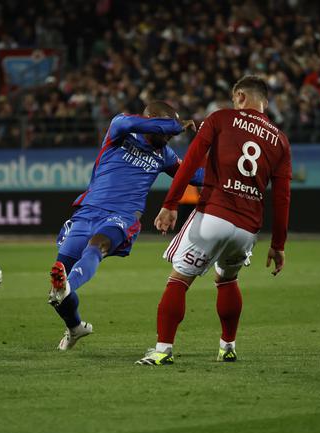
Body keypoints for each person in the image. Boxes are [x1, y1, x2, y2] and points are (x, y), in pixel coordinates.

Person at [135, 75, 292, 365]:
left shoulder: (220, 119)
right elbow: (282, 197)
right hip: (247, 228)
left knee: (179, 280)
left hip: (214, 215)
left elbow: (192, 161)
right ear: (265, 102)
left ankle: (162, 351)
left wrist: (170, 203)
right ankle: (227, 346)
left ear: (241, 96)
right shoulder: (280, 140)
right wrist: (278, 244)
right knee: (227, 279)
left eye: (235, 99)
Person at [47, 101, 203, 350]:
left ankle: (67, 285)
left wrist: (232, 174)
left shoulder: (165, 155)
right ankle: (75, 327)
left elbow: (194, 175)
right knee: (58, 285)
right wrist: (175, 125)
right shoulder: (120, 128)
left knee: (96, 248)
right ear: (149, 120)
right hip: (88, 212)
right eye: (162, 129)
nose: (168, 138)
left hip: (123, 216)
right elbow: (133, 122)